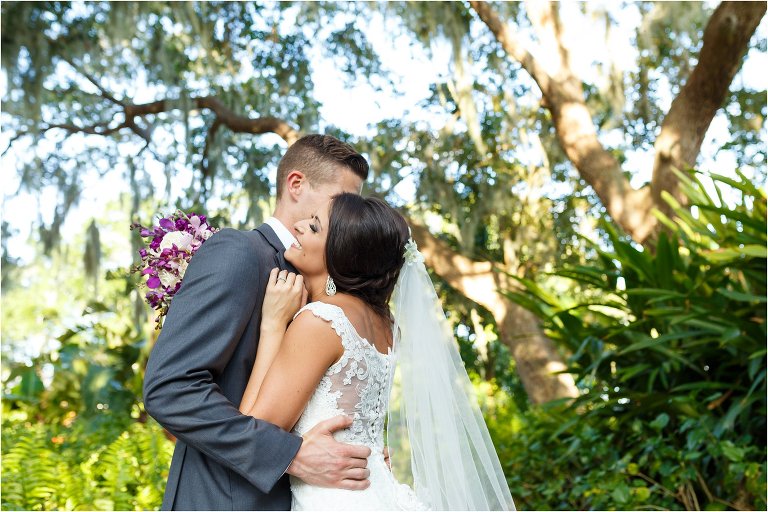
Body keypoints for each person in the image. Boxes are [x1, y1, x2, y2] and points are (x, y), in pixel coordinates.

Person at [240, 193, 515, 510]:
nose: (298, 226)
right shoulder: (386, 325)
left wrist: (272, 324)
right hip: (378, 489)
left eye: (314, 227)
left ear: (341, 254)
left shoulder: (321, 321)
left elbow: (252, 432)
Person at [143, 135, 374, 511]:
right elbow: (170, 388)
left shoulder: (327, 282)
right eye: (340, 201)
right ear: (296, 185)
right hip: (224, 499)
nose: (347, 216)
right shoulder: (239, 253)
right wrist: (291, 456)